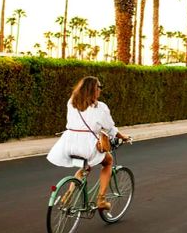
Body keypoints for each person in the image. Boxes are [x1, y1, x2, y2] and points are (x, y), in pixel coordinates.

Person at [47, 76, 129, 211]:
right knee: (108, 161)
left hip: (69, 143)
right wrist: (123, 136)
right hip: (87, 145)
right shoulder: (100, 107)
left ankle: (69, 193)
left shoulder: (71, 102)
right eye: (99, 87)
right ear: (94, 90)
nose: (100, 90)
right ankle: (101, 199)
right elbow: (110, 128)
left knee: (85, 166)